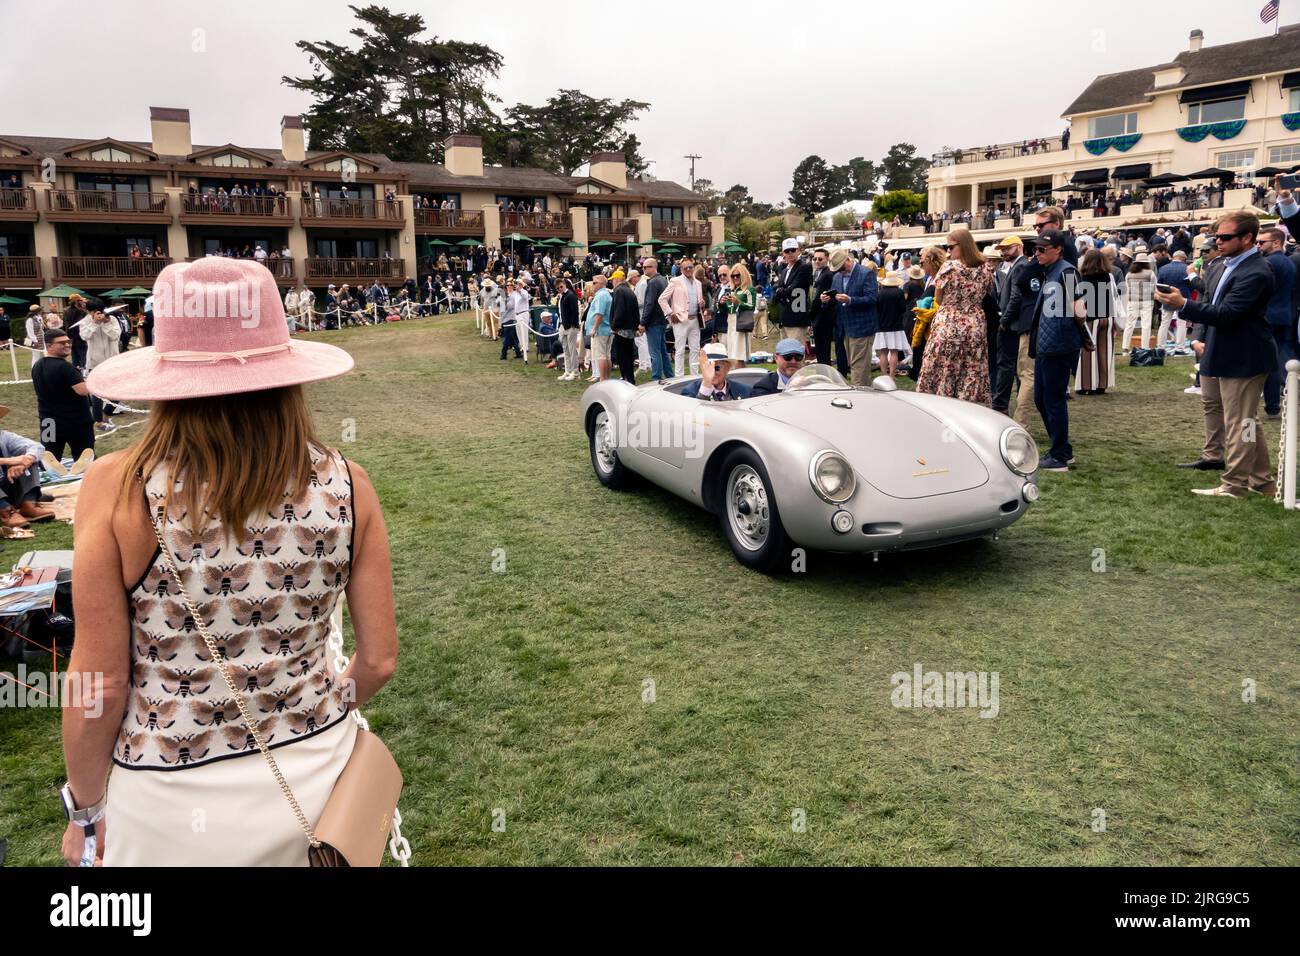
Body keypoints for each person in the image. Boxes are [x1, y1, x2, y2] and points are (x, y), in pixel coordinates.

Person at [61, 256, 397, 866]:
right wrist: (315, 708)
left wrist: (85, 811)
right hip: (319, 786)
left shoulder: (116, 487)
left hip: (165, 800)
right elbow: (378, 659)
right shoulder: (350, 484)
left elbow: (98, 681)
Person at [1155, 212, 1277, 498]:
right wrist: (1197, 333)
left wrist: (1183, 303)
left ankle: (1235, 485)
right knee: (1246, 421)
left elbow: (1228, 313)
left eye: (1225, 237)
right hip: (1223, 351)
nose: (1217, 242)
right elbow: (1212, 304)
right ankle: (1261, 481)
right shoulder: (1223, 265)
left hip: (1245, 356)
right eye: (1216, 236)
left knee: (1241, 422)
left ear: (1247, 238)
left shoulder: (1257, 271)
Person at [1029, 229, 1094, 471]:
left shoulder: (1066, 271)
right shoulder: (1053, 271)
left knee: (1052, 400)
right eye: (1035, 249)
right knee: (1042, 399)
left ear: (1057, 249)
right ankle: (1061, 449)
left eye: (1041, 249)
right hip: (1049, 343)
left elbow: (1080, 308)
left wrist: (1074, 333)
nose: (1036, 253)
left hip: (1058, 343)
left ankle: (1060, 455)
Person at [917, 229, 996, 403]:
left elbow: (939, 297)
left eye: (951, 247)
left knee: (943, 369)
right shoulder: (985, 267)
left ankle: (940, 406)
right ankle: (971, 407)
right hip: (975, 325)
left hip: (949, 324)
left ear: (962, 245)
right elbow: (988, 293)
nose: (948, 251)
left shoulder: (949, 267)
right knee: (972, 370)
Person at [31, 329, 95, 464]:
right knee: (83, 461)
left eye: (68, 342)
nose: (67, 345)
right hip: (75, 422)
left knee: (48, 462)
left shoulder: (37, 366)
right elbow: (83, 390)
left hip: (47, 421)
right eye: (61, 343)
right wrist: (92, 380)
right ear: (49, 346)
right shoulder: (66, 367)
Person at [1256, 226, 1296, 418]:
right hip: (1283, 315)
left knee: (1268, 363)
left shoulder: (1269, 263)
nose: (1258, 245)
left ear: (1277, 242)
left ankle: (1272, 405)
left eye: (1262, 242)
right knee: (1280, 359)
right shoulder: (1287, 262)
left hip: (1268, 317)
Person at [825, 248, 878, 387]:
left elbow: (872, 299)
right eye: (838, 269)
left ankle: (859, 394)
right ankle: (863, 391)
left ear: (848, 259)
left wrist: (850, 300)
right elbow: (834, 300)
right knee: (855, 365)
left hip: (862, 327)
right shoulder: (837, 277)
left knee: (858, 368)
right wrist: (826, 299)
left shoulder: (866, 273)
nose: (841, 271)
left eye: (842, 267)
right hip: (844, 328)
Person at [992, 235, 1032, 419]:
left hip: (1012, 324)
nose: (1003, 252)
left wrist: (1004, 321)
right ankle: (1002, 405)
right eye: (1002, 249)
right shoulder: (1018, 265)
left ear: (1018, 246)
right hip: (1014, 323)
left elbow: (1016, 298)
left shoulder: (1020, 266)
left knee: (1006, 366)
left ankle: (1000, 406)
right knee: (1011, 367)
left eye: (1007, 248)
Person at [0, 405, 54, 531]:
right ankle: (5, 511)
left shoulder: (4, 436)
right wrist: (10, 460)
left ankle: (29, 503)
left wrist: (25, 461)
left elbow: (37, 447)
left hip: (8, 486)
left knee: (31, 459)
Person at [1075, 249, 1116, 395]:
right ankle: (1102, 384)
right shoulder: (1108, 276)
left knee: (1088, 353)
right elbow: (1114, 296)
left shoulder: (1082, 278)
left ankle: (1087, 385)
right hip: (1108, 317)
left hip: (1091, 318)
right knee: (1105, 352)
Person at [658, 257, 703, 377]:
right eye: (685, 268)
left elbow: (696, 300)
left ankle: (695, 376)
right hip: (680, 320)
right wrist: (670, 313)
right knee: (680, 350)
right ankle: (679, 378)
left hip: (695, 320)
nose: (688, 269)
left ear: (693, 268)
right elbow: (662, 299)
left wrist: (701, 303)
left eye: (690, 267)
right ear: (681, 269)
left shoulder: (698, 283)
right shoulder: (675, 281)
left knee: (695, 349)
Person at [772, 238, 812, 345]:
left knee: (796, 353)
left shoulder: (804, 267)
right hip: (785, 316)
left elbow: (794, 290)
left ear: (798, 251)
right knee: (785, 354)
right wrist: (782, 290)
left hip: (797, 315)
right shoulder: (785, 270)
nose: (790, 253)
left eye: (793, 250)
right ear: (783, 253)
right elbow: (779, 290)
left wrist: (781, 290)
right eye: (787, 251)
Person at [681, 343, 752, 400]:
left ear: (727, 368)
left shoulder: (744, 390)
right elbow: (696, 415)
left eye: (716, 368)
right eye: (707, 368)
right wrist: (706, 386)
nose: (712, 373)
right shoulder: (690, 392)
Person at [639, 258, 671, 381]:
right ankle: (669, 376)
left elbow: (649, 303)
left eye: (646, 267)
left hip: (654, 322)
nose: (643, 269)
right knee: (662, 351)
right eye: (643, 267)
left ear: (653, 267)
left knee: (655, 352)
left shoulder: (652, 282)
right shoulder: (663, 280)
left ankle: (656, 378)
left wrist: (643, 322)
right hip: (662, 320)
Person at [874, 273, 910, 379]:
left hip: (882, 326)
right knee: (894, 352)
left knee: (883, 352)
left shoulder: (880, 293)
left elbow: (876, 309)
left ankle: (884, 375)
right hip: (896, 326)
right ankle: (891, 376)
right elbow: (903, 309)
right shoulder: (899, 292)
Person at [722, 262, 757, 366]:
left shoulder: (749, 290)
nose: (735, 278)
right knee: (732, 354)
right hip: (731, 322)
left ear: (744, 275)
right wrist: (721, 303)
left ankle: (741, 376)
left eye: (738, 275)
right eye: (733, 276)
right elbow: (726, 309)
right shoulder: (732, 290)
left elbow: (751, 306)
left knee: (739, 356)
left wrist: (738, 302)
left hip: (742, 321)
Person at [608, 269, 639, 383]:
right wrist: (636, 326)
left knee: (622, 356)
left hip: (621, 329)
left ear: (616, 280)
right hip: (630, 328)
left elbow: (619, 311)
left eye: (613, 280)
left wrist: (614, 326)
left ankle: (626, 378)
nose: (612, 283)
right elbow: (635, 311)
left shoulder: (619, 291)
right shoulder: (629, 290)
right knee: (629, 355)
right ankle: (630, 379)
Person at [808, 248, 837, 366]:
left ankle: (824, 375)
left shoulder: (826, 275)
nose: (817, 261)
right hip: (820, 316)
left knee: (822, 351)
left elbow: (818, 299)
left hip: (823, 318)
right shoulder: (818, 273)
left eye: (820, 259)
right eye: (814, 259)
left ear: (827, 259)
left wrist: (810, 317)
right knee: (820, 351)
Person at [1122, 253, 1156, 351]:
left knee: (1129, 324)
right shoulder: (1150, 273)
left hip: (1133, 301)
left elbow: (1127, 288)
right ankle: (1145, 347)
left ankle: (1125, 348)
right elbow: (1154, 287)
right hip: (1147, 301)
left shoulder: (1129, 274)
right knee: (1146, 325)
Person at [585, 274, 613, 382]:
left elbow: (599, 314)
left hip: (601, 330)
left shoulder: (601, 296)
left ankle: (603, 379)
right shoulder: (606, 294)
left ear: (601, 284)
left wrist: (594, 328)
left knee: (601, 356)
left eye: (594, 283)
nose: (592, 285)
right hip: (606, 329)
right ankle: (606, 379)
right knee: (606, 355)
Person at [556, 279, 582, 382]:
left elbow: (575, 312)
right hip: (563, 325)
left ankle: (575, 372)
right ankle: (568, 370)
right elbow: (560, 312)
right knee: (566, 349)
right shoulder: (561, 296)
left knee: (572, 350)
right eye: (557, 288)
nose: (560, 289)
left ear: (564, 285)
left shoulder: (571, 295)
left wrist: (574, 325)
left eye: (561, 287)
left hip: (570, 326)